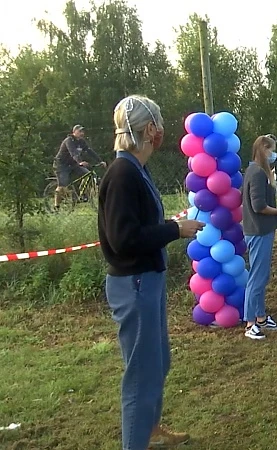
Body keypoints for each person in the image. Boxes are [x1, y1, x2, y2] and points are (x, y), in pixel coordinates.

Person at [98, 95, 204, 450]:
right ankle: (135, 442)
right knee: (141, 377)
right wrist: (175, 230)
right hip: (135, 283)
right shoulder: (122, 173)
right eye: (158, 125)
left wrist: (168, 224)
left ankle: (151, 429)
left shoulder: (136, 170)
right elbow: (123, 238)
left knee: (159, 362)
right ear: (147, 130)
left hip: (148, 279)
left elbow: (139, 225)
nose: (162, 133)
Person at [242, 135, 277, 340]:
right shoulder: (258, 173)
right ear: (265, 150)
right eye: (272, 150)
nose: (274, 154)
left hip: (261, 230)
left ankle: (260, 317)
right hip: (259, 230)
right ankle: (250, 322)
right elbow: (258, 205)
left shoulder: (254, 170)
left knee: (262, 276)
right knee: (257, 279)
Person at [53, 124, 106, 208]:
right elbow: (73, 153)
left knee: (88, 175)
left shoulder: (81, 142)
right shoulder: (69, 141)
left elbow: (90, 151)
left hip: (74, 164)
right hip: (61, 165)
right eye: (79, 131)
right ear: (74, 132)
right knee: (62, 186)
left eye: (82, 131)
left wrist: (100, 161)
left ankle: (81, 194)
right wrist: (80, 162)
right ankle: (56, 205)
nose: (82, 133)